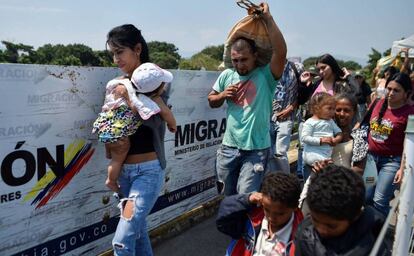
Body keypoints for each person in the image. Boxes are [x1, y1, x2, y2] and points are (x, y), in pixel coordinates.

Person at [105, 24, 171, 256]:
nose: (115, 59)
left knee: (121, 242)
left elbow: (155, 120)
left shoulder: (157, 81)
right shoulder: (117, 84)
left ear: (137, 49)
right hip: (124, 175)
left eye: (119, 52)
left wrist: (130, 99)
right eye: (112, 53)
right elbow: (111, 123)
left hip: (147, 174)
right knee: (139, 233)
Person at [208, 2, 287, 196]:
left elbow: (281, 52)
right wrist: (222, 95)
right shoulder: (227, 75)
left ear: (255, 56)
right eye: (235, 60)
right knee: (227, 197)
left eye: (244, 59)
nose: (239, 65)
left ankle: (247, 227)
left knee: (246, 196)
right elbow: (211, 100)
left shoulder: (266, 76)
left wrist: (268, 19)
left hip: (256, 150)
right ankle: (233, 227)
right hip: (229, 148)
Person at [93, 62, 176, 193]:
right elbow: (165, 113)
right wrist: (173, 125)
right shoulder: (145, 100)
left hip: (106, 125)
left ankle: (109, 152)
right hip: (117, 132)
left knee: (114, 152)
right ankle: (111, 180)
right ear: (157, 90)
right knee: (117, 159)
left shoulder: (121, 85)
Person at [291, 165, 390, 256]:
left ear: (355, 216)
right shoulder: (304, 233)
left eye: (331, 226)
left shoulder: (372, 246)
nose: (321, 230)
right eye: (315, 220)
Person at [216, 172, 303, 256]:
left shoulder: (302, 238)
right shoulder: (252, 219)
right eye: (267, 209)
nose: (271, 218)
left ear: (295, 207)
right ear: (262, 200)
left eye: (280, 214)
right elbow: (223, 221)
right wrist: (247, 200)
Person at [368, 72, 414, 217]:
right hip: (370, 159)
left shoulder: (410, 113)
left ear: (406, 93)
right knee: (366, 197)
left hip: (391, 162)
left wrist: (402, 168)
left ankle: (380, 234)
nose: (391, 93)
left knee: (379, 199)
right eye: (389, 88)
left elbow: (410, 143)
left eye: (396, 90)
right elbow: (364, 124)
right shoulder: (378, 103)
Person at [269, 61, 304, 173]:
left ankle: (285, 180)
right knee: (269, 153)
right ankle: (273, 181)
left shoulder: (296, 67)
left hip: (286, 118)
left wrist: (292, 107)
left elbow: (303, 92)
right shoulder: (266, 66)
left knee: (280, 153)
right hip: (268, 118)